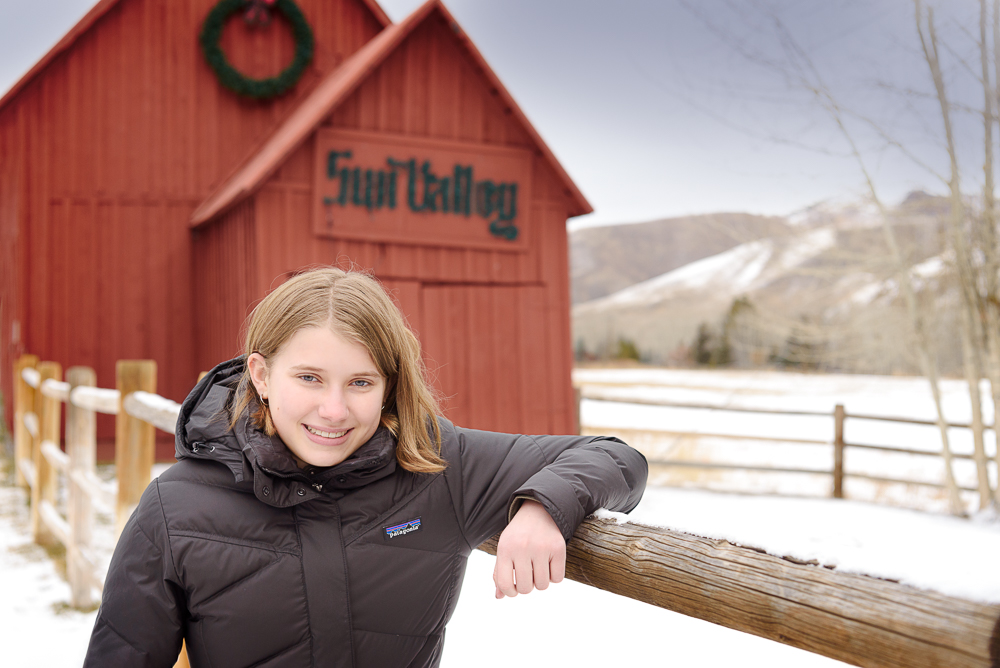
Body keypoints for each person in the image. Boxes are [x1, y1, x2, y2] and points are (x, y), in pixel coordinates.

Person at [84, 267, 647, 668]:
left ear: (388, 387)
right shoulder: (175, 508)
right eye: (309, 378)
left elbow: (615, 456)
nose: (334, 410)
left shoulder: (438, 468)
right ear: (261, 374)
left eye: (360, 383)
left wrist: (542, 506)